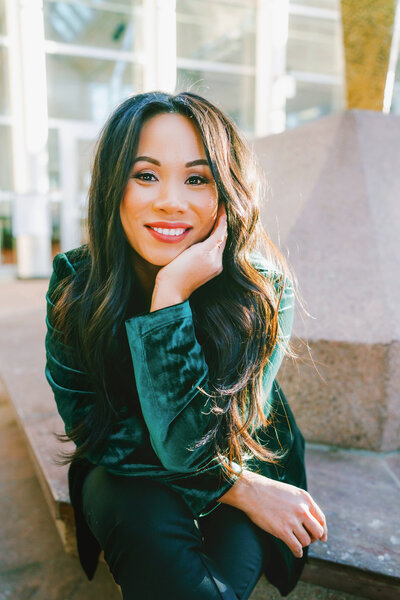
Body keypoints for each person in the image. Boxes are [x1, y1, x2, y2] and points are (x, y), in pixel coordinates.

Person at [45, 91, 328, 600]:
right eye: (146, 175)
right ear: (114, 186)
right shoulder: (75, 284)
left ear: (224, 193)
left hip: (237, 452)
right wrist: (240, 490)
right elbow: (96, 431)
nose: (171, 200)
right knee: (137, 514)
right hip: (127, 472)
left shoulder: (260, 293)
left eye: (197, 178)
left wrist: (170, 297)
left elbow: (205, 444)